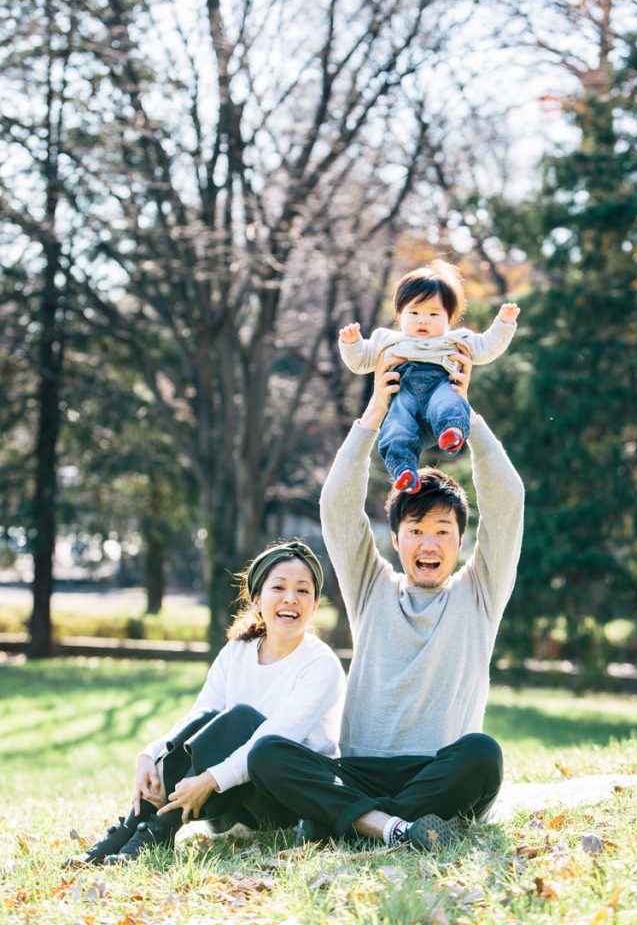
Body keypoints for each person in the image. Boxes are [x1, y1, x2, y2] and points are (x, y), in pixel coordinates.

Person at [247, 351, 524, 852]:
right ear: (394, 539)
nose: (429, 543)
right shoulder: (372, 586)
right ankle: (393, 826)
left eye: (443, 531)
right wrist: (374, 415)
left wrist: (467, 415)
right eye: (416, 530)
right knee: (267, 752)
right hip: (359, 770)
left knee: (483, 754)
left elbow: (508, 502)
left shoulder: (479, 592)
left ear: (462, 540)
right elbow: (336, 507)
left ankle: (350, 823)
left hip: (440, 771)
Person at [65, 540, 345, 866]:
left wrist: (209, 780)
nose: (290, 599)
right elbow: (198, 715)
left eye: (303, 591)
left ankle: (155, 833)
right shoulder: (238, 652)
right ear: (257, 600)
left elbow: (277, 739)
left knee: (240, 719)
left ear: (314, 605)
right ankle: (132, 829)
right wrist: (150, 754)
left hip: (290, 798)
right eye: (278, 587)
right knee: (210, 716)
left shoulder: (320, 664)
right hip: (239, 799)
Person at [338, 259, 520, 493]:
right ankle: (404, 471)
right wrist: (351, 342)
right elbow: (360, 363)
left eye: (434, 314)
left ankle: (452, 431)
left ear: (449, 318)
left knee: (449, 401)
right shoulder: (386, 339)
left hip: (439, 385)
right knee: (396, 426)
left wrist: (504, 323)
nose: (423, 319)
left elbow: (486, 348)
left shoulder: (456, 340)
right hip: (402, 392)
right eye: (414, 312)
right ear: (399, 314)